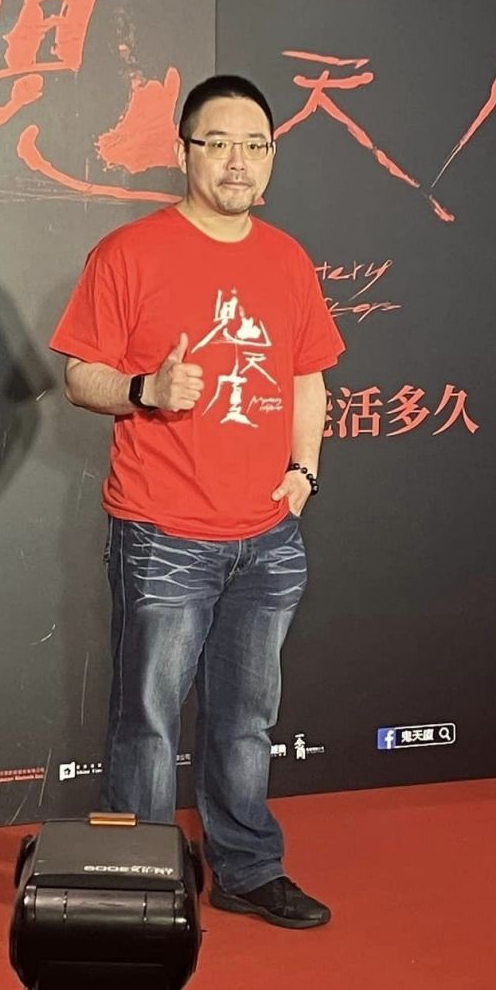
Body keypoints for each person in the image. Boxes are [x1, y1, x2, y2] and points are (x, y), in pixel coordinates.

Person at [50, 74, 344, 929]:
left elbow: (307, 375)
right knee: (145, 722)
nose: (237, 161)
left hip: (268, 536)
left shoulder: (285, 258)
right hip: (163, 532)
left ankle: (246, 869)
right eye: (218, 144)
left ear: (271, 156)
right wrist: (145, 387)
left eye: (255, 145)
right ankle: (139, 882)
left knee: (246, 719)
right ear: (183, 152)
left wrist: (303, 472)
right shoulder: (127, 253)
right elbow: (79, 375)